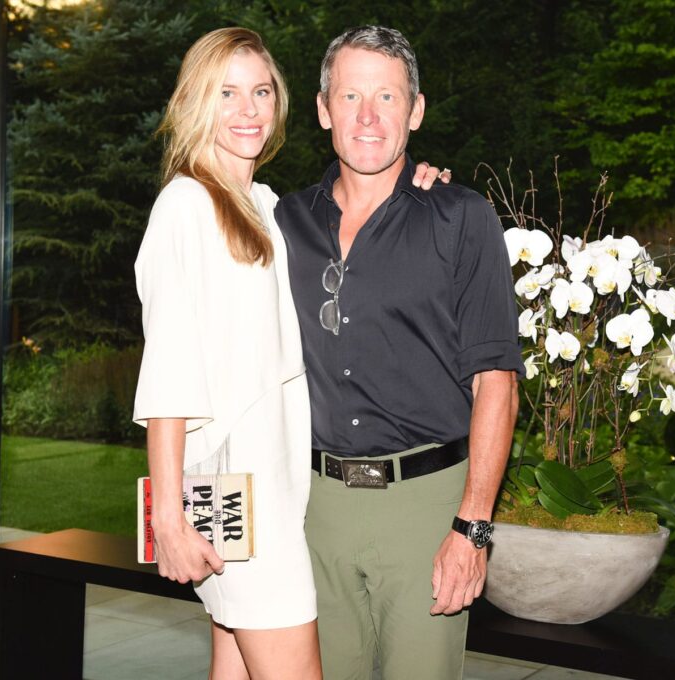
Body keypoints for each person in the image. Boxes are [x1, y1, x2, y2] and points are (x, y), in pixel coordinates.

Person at [131, 27, 444, 680]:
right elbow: (169, 372)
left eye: (261, 91)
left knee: (234, 669)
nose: (248, 109)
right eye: (228, 93)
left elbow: (345, 217)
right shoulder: (185, 206)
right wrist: (169, 519)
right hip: (235, 501)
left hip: (267, 495)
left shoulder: (263, 206)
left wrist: (413, 180)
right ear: (196, 102)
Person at [274, 26, 524, 680]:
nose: (367, 116)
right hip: (314, 510)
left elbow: (496, 380)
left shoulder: (461, 218)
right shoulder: (283, 226)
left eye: (387, 96)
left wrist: (472, 528)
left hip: (427, 507)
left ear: (415, 111)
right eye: (350, 95)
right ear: (324, 109)